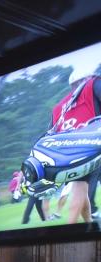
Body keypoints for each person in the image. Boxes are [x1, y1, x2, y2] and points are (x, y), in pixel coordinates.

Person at [48, 67, 101, 224]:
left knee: (81, 190)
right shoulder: (93, 84)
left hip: (70, 154)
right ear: (86, 79)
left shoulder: (59, 107)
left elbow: (51, 134)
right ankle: (70, 230)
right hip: (93, 144)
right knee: (80, 190)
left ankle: (89, 226)